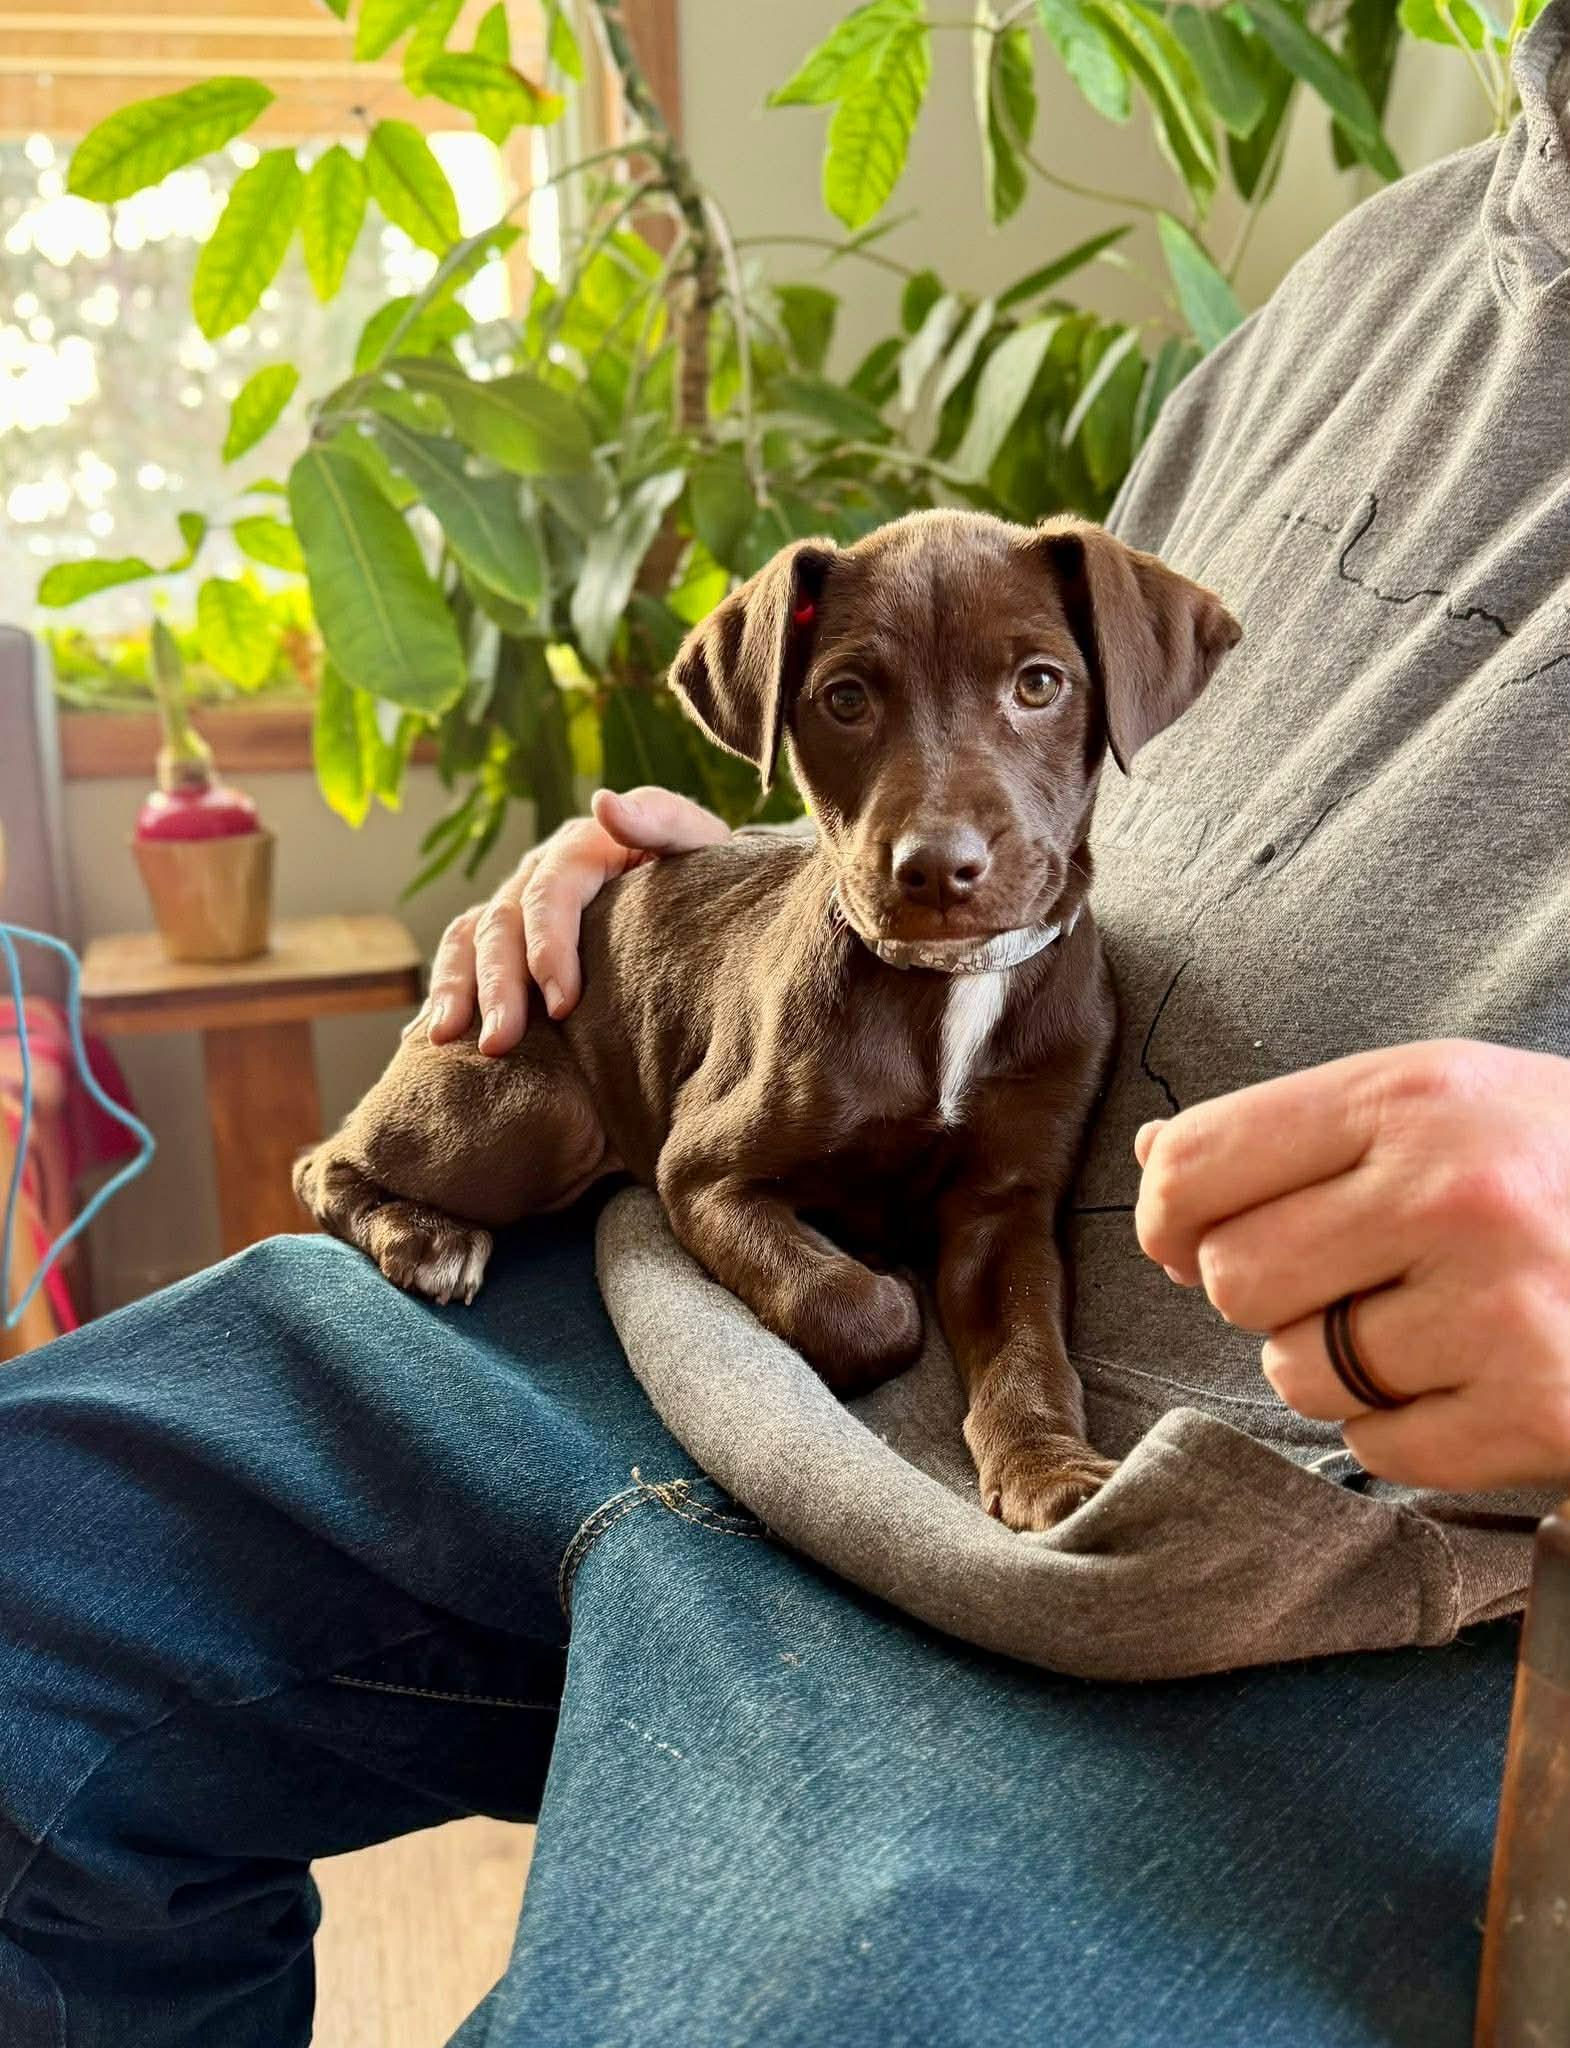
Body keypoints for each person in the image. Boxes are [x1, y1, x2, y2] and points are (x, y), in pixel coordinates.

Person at [3, 5, 1566, 2040]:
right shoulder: (1384, 270)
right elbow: (1035, 776)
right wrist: (699, 880)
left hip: (1282, 1556)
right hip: (702, 1302)